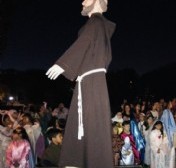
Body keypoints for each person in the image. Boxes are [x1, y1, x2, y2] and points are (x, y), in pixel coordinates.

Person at [46, 0, 116, 167]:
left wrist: (63, 64)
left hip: (91, 83)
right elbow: (88, 46)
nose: (83, 2)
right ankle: (78, 158)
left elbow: (85, 40)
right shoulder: (100, 26)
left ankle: (82, 159)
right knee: (86, 123)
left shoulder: (96, 22)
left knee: (91, 123)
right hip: (88, 81)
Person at [160, 100, 176, 168]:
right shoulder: (166, 111)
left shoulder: (169, 111)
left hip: (170, 133)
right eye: (170, 103)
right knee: (168, 150)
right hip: (168, 134)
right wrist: (168, 134)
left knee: (170, 151)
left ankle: (170, 165)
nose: (172, 104)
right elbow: (166, 123)